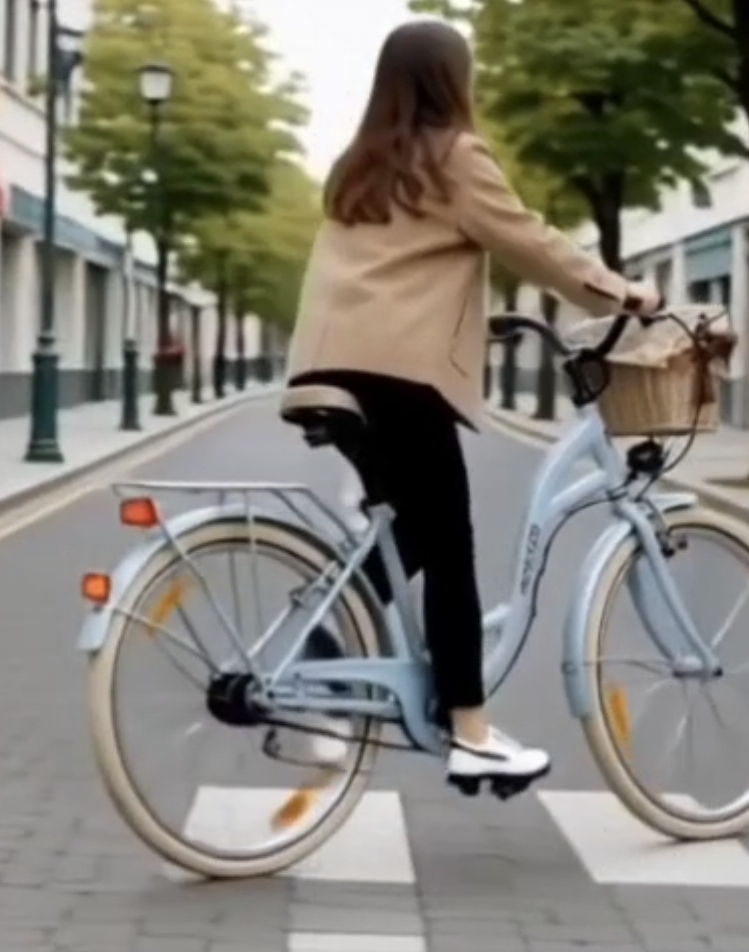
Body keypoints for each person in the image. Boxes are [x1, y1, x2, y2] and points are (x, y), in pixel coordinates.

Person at [279, 19, 663, 791]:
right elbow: (529, 240)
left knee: (409, 536)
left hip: (328, 368)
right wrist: (625, 291)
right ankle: (472, 732)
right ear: (452, 80)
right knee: (450, 547)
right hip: (395, 380)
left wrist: (470, 323)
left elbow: (388, 276)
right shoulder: (454, 155)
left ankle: (319, 656)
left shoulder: (358, 165)